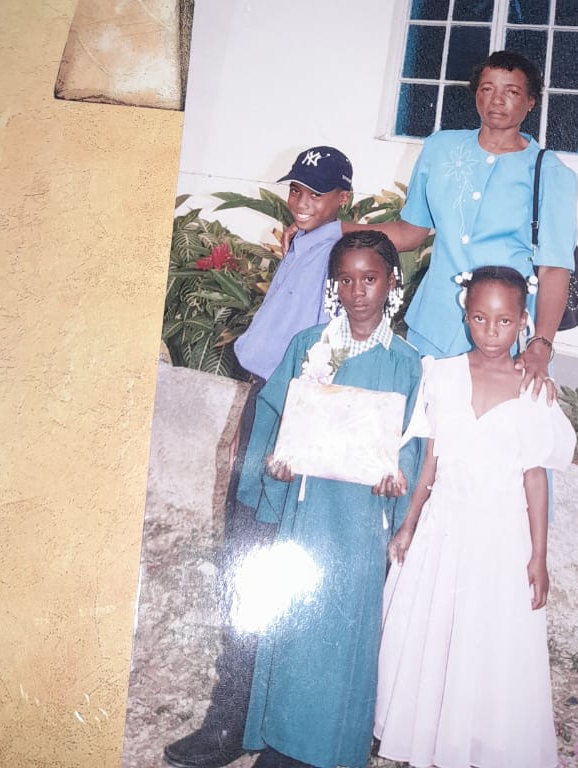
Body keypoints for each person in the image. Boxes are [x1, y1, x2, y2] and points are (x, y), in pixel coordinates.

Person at [164, 146, 354, 768]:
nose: (302, 201)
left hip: (289, 411)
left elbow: (324, 350)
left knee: (255, 555)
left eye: (316, 193)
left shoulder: (335, 255)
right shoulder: (301, 246)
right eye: (297, 189)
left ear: (342, 201)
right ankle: (239, 714)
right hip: (263, 400)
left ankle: (240, 721)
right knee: (242, 553)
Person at [374, 266, 576, 768]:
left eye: (505, 321)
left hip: (500, 539)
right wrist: (409, 523)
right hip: (445, 528)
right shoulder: (440, 376)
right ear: (465, 315)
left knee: (486, 642)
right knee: (434, 633)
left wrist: (539, 557)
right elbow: (431, 462)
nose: (491, 331)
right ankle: (429, 740)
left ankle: (474, 745)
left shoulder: (534, 391)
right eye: (480, 318)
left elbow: (535, 480)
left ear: (523, 322)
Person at [238, 230, 422, 768]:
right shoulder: (310, 347)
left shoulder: (406, 363)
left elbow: (414, 443)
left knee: (344, 635)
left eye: (370, 278)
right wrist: (275, 463)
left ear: (391, 283)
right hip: (307, 509)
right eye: (345, 279)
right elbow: (275, 422)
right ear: (333, 284)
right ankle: (279, 745)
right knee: (294, 626)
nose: (357, 291)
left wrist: (398, 480)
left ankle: (331, 751)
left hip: (361, 522)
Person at [346, 50, 578, 386]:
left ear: (530, 102)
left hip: (502, 335)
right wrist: (333, 230)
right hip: (433, 326)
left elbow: (554, 267)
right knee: (421, 424)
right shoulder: (440, 149)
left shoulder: (552, 174)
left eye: (511, 92)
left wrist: (541, 344)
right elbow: (411, 232)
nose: (496, 100)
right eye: (487, 89)